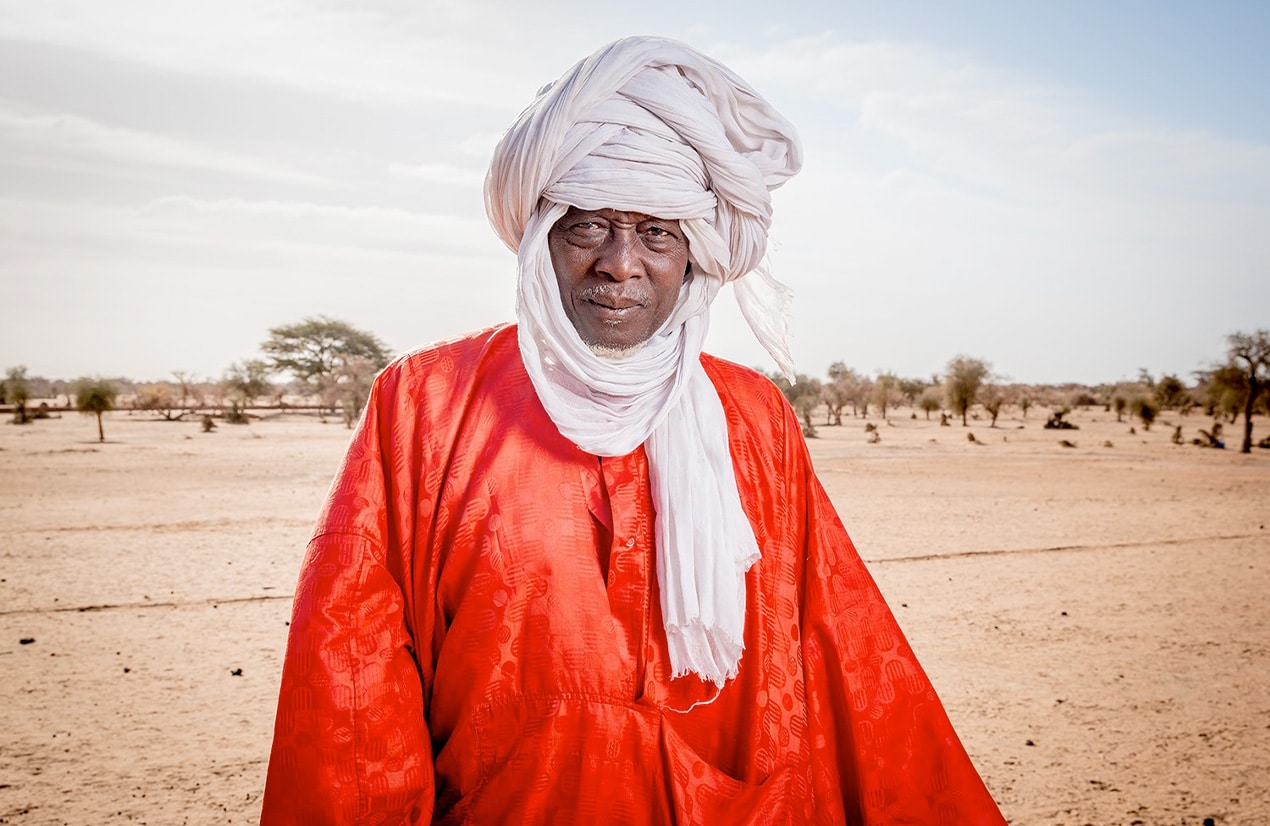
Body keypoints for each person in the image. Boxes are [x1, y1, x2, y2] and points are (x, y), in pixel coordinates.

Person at [261, 36, 1006, 825]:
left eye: (657, 233)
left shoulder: (753, 416)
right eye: (590, 227)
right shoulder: (426, 402)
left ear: (695, 258)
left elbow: (837, 648)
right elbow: (353, 672)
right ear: (541, 239)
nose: (621, 264)